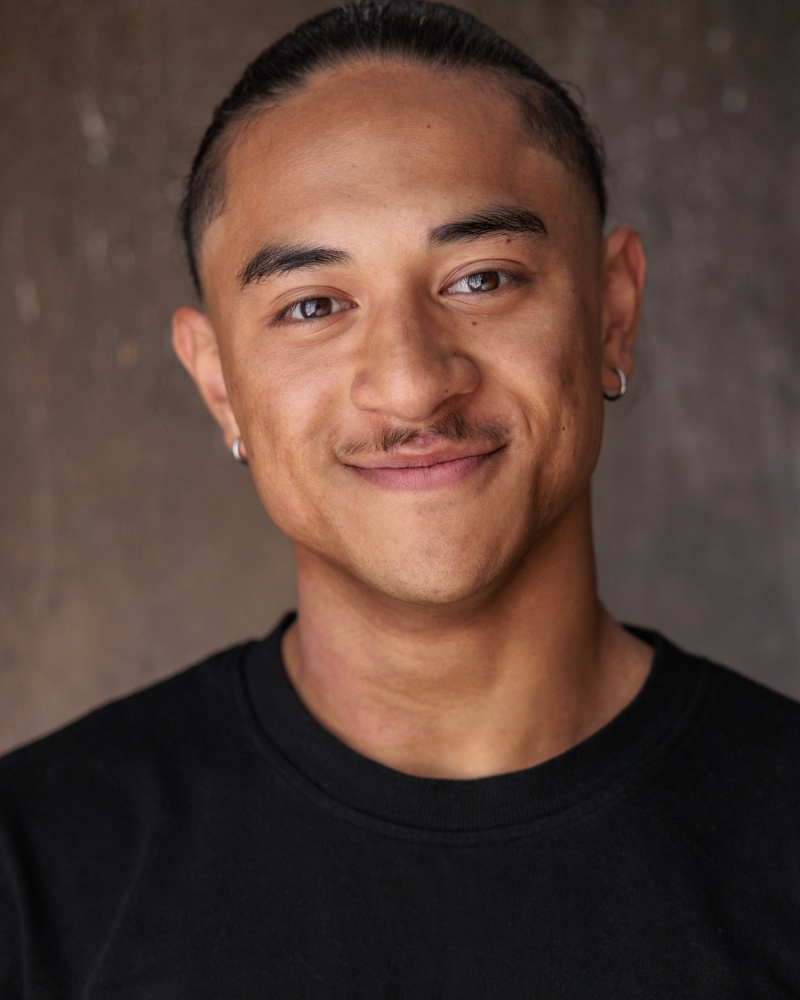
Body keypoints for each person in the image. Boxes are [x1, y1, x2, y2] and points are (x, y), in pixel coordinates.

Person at [1, 1, 798, 995]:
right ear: (218, 383)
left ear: (612, 313)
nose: (414, 384)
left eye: (481, 279)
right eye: (312, 305)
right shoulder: (34, 874)